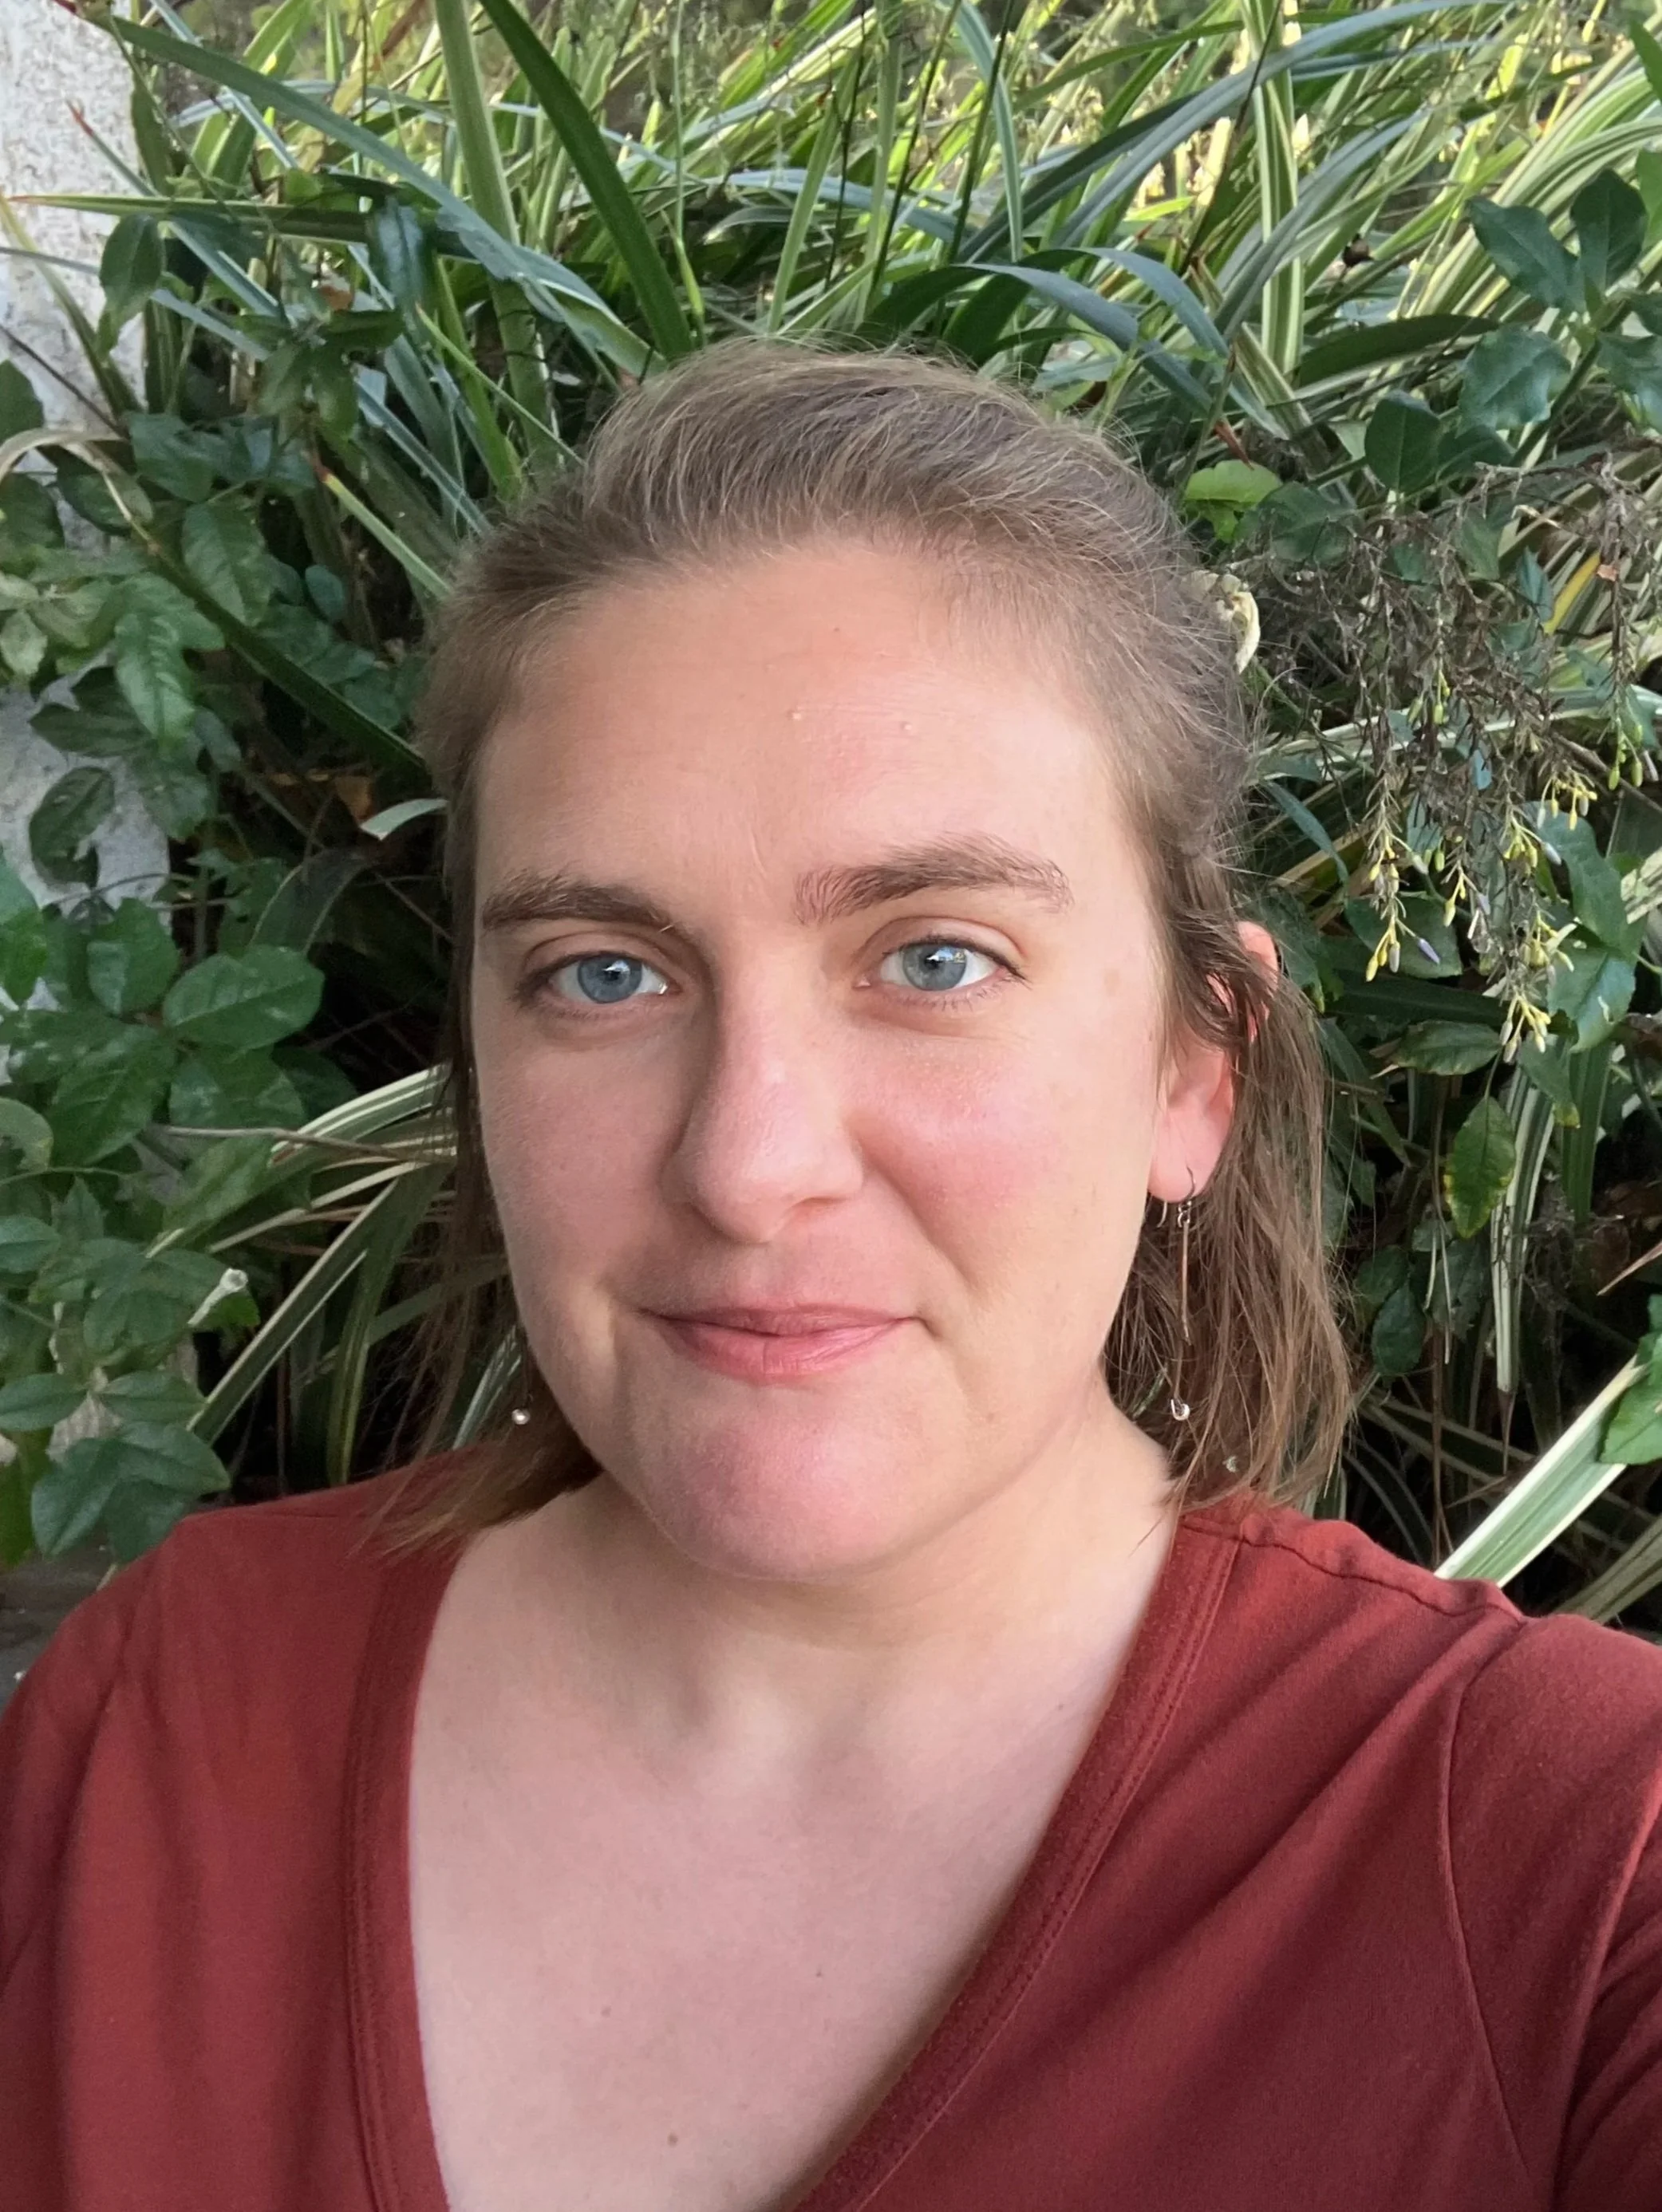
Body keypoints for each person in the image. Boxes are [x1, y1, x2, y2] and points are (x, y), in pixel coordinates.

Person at [2, 342, 1660, 2212]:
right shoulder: (168, 1712)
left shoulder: (1576, 1870)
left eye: (935, 958)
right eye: (603, 973)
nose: (748, 1161)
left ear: (1197, 1069)